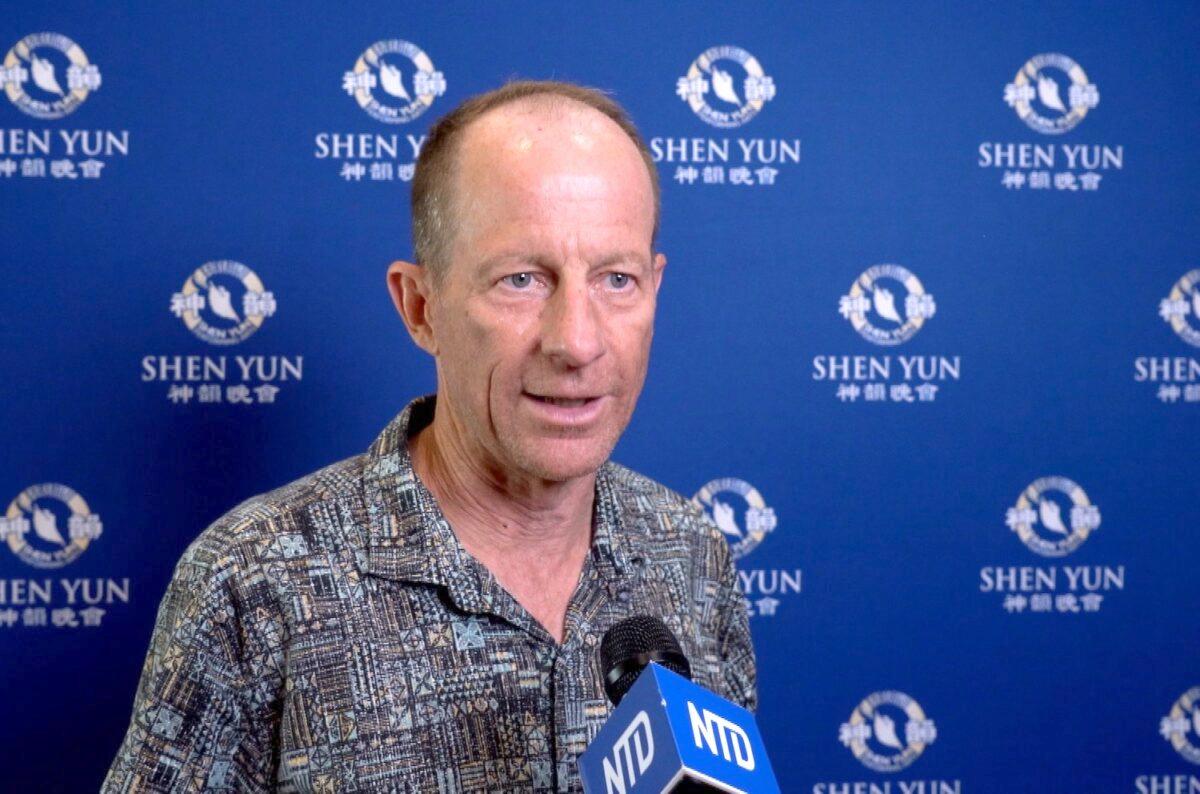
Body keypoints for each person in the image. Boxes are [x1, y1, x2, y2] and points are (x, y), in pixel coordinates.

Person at [104, 80, 755, 793]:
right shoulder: (254, 581)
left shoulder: (691, 552)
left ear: (655, 290)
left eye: (617, 279)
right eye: (521, 280)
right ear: (421, 307)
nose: (576, 341)